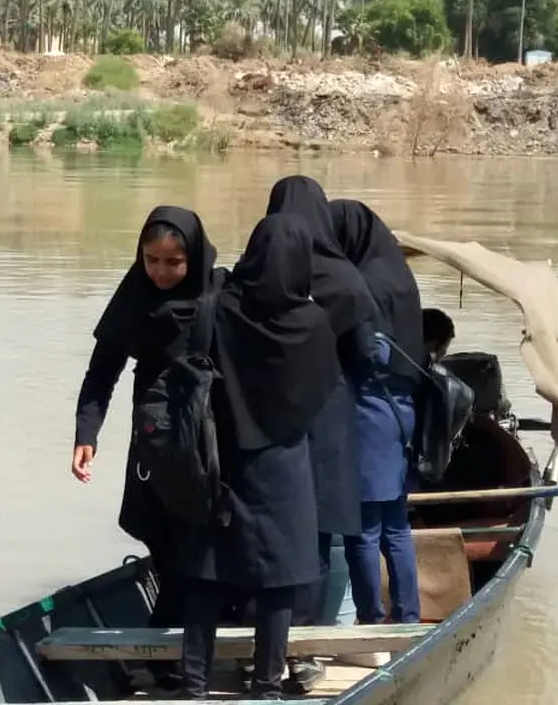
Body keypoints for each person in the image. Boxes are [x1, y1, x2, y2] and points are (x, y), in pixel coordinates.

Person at [177, 213, 340, 701]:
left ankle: (193, 685)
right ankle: (266, 686)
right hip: (283, 465)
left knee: (207, 573)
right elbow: (323, 390)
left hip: (220, 458)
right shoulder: (312, 322)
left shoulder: (221, 305)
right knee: (277, 581)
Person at [70, 205, 219, 692]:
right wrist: (86, 435)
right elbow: (102, 372)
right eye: (150, 259)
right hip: (154, 443)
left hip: (203, 441)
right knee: (161, 538)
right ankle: (160, 655)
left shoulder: (217, 297)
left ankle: (155, 656)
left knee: (187, 547)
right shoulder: (134, 299)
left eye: (172, 262)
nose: (159, 271)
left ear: (191, 259)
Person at [263, 176, 381, 690]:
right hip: (328, 414)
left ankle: (259, 642)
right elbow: (363, 358)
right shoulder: (347, 282)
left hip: (264, 418)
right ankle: (305, 647)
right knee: (317, 532)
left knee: (267, 527)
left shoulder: (255, 271)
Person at [329, 199, 423, 632]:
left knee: (363, 532)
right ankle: (408, 618)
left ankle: (370, 621)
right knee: (396, 528)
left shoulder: (361, 283)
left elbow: (368, 352)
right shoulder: (400, 278)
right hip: (400, 412)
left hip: (369, 414)